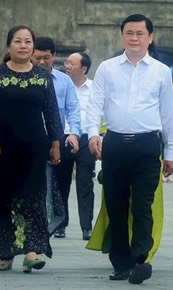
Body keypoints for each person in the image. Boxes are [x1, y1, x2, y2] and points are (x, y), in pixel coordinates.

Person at [83, 14, 173, 284]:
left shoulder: (160, 71)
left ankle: (140, 260)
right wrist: (93, 135)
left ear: (150, 37)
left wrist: (170, 152)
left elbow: (169, 114)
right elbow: (95, 104)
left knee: (143, 205)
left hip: (147, 145)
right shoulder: (107, 68)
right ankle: (120, 263)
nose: (134, 38)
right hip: (114, 143)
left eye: (140, 33)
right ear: (122, 35)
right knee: (116, 204)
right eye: (129, 33)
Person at [0, 26, 63, 272]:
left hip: (34, 148)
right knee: (3, 198)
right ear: (9, 46)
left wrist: (56, 143)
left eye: (28, 42)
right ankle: (5, 253)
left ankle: (31, 252)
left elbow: (51, 113)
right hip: (2, 148)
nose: (23, 46)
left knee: (33, 198)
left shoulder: (42, 76)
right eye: (18, 41)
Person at [33, 36, 81, 239]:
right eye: (37, 58)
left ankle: (60, 222)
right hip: (32, 139)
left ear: (53, 57)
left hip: (57, 139)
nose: (42, 62)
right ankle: (36, 222)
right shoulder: (24, 78)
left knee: (61, 183)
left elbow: (73, 109)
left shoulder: (64, 82)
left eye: (46, 58)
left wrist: (74, 134)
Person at [62, 50, 97, 240]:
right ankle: (60, 224)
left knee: (85, 184)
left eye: (71, 64)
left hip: (85, 139)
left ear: (84, 68)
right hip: (64, 137)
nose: (67, 67)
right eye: (66, 63)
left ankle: (86, 227)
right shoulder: (61, 86)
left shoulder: (94, 89)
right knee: (61, 183)